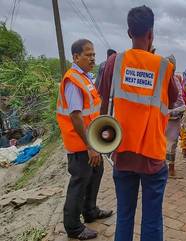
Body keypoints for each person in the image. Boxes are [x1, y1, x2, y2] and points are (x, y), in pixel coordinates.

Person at [97, 5, 178, 241]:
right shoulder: (164, 66)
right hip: (152, 155)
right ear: (151, 34)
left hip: (122, 151)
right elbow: (173, 99)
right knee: (152, 220)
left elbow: (104, 100)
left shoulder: (115, 61)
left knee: (124, 216)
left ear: (128, 32)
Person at [56, 39, 113, 240]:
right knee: (80, 181)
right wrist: (90, 145)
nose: (92, 58)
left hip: (90, 141)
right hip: (80, 143)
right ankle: (73, 227)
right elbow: (76, 116)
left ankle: (90, 211)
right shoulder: (72, 80)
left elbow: (93, 110)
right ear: (76, 57)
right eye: (88, 54)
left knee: (96, 172)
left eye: (93, 54)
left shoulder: (86, 78)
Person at [165, 55, 185, 178]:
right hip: (165, 116)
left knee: (172, 142)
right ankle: (167, 168)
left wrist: (180, 109)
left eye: (171, 65)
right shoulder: (163, 80)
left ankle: (171, 168)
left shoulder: (175, 80)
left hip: (175, 116)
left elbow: (179, 98)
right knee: (165, 142)